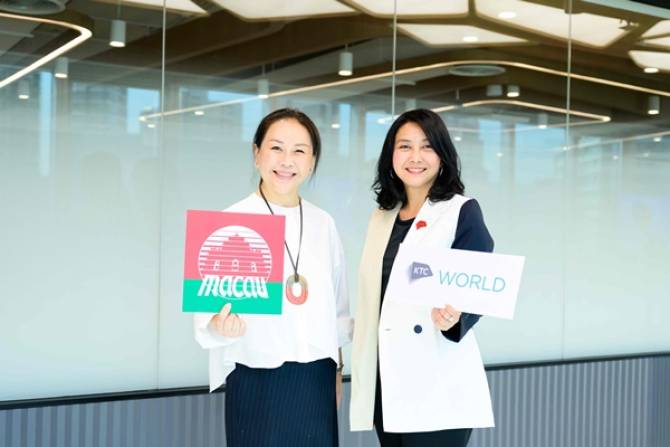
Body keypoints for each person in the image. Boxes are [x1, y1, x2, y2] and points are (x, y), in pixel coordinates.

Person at [193, 108, 352, 446]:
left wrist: (338, 370)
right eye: (276, 148)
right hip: (256, 376)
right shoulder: (231, 221)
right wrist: (220, 325)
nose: (286, 161)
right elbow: (207, 312)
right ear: (257, 154)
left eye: (299, 151)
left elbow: (337, 309)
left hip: (316, 377)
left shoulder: (323, 223)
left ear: (312, 162)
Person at [350, 109, 495, 446]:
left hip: (436, 382)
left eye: (427, 147)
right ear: (391, 156)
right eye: (405, 146)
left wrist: (456, 317)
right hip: (386, 378)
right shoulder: (382, 216)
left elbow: (477, 286)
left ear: (442, 155)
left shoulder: (461, 211)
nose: (415, 157)